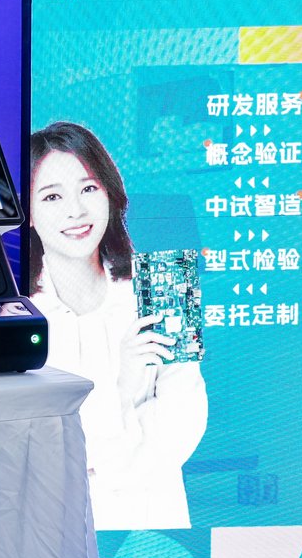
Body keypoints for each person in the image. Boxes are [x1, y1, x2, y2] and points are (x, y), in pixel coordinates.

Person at [28, 121, 207, 531]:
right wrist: (123, 390)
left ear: (109, 193)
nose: (75, 210)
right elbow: (30, 443)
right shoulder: (11, 308)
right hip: (51, 522)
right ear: (29, 214)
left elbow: (186, 418)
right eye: (52, 196)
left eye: (88, 189)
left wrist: (99, 470)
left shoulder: (168, 284)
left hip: (150, 518)